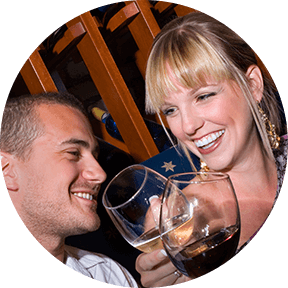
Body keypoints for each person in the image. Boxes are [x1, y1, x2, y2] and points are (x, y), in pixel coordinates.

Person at [136, 12, 288, 286]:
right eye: (171, 110)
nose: (188, 126)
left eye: (203, 96)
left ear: (252, 84)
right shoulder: (184, 222)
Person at [0, 92, 138, 287]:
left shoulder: (108, 273)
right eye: (73, 153)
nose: (100, 174)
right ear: (7, 171)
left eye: (95, 156)